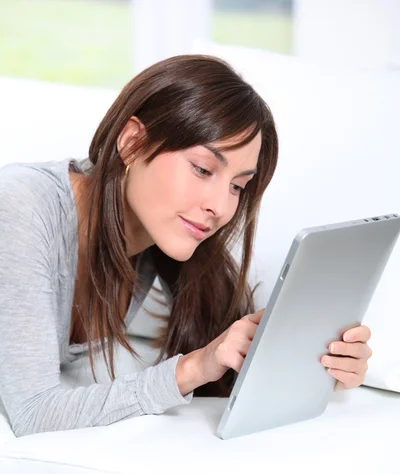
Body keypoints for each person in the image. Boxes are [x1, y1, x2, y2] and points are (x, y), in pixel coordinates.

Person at [0, 55, 372, 438]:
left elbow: (227, 352)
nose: (221, 207)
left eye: (237, 186)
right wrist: (192, 368)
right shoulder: (21, 204)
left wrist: (319, 368)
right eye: (202, 169)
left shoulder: (158, 235)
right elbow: (34, 411)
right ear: (132, 143)